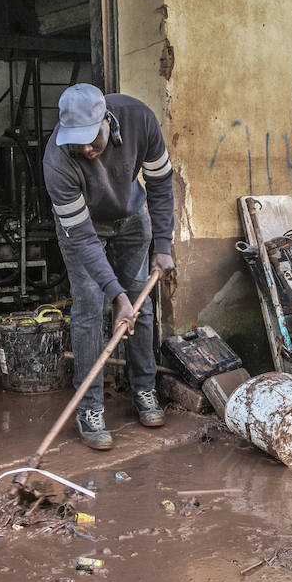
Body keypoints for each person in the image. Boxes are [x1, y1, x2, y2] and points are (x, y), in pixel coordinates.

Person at [43, 83, 175, 450]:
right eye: (77, 142)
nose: (86, 149)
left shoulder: (139, 119)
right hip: (83, 228)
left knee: (141, 305)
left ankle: (145, 389)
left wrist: (162, 244)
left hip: (131, 217)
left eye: (92, 139)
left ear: (107, 120)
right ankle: (90, 409)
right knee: (89, 306)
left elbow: (161, 184)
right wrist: (114, 295)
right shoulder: (57, 162)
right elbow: (84, 240)